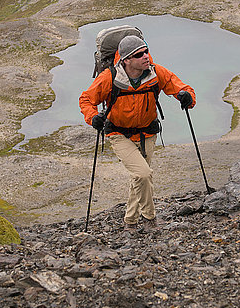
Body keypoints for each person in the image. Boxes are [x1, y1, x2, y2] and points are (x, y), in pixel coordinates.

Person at [79, 35, 195, 231]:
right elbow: (86, 99)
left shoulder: (156, 72)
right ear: (126, 60)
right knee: (143, 174)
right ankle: (150, 219)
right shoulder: (110, 77)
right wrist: (93, 117)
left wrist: (186, 97)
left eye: (146, 51)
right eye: (139, 54)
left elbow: (180, 87)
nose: (146, 57)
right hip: (118, 134)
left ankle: (130, 222)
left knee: (139, 177)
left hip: (148, 133)